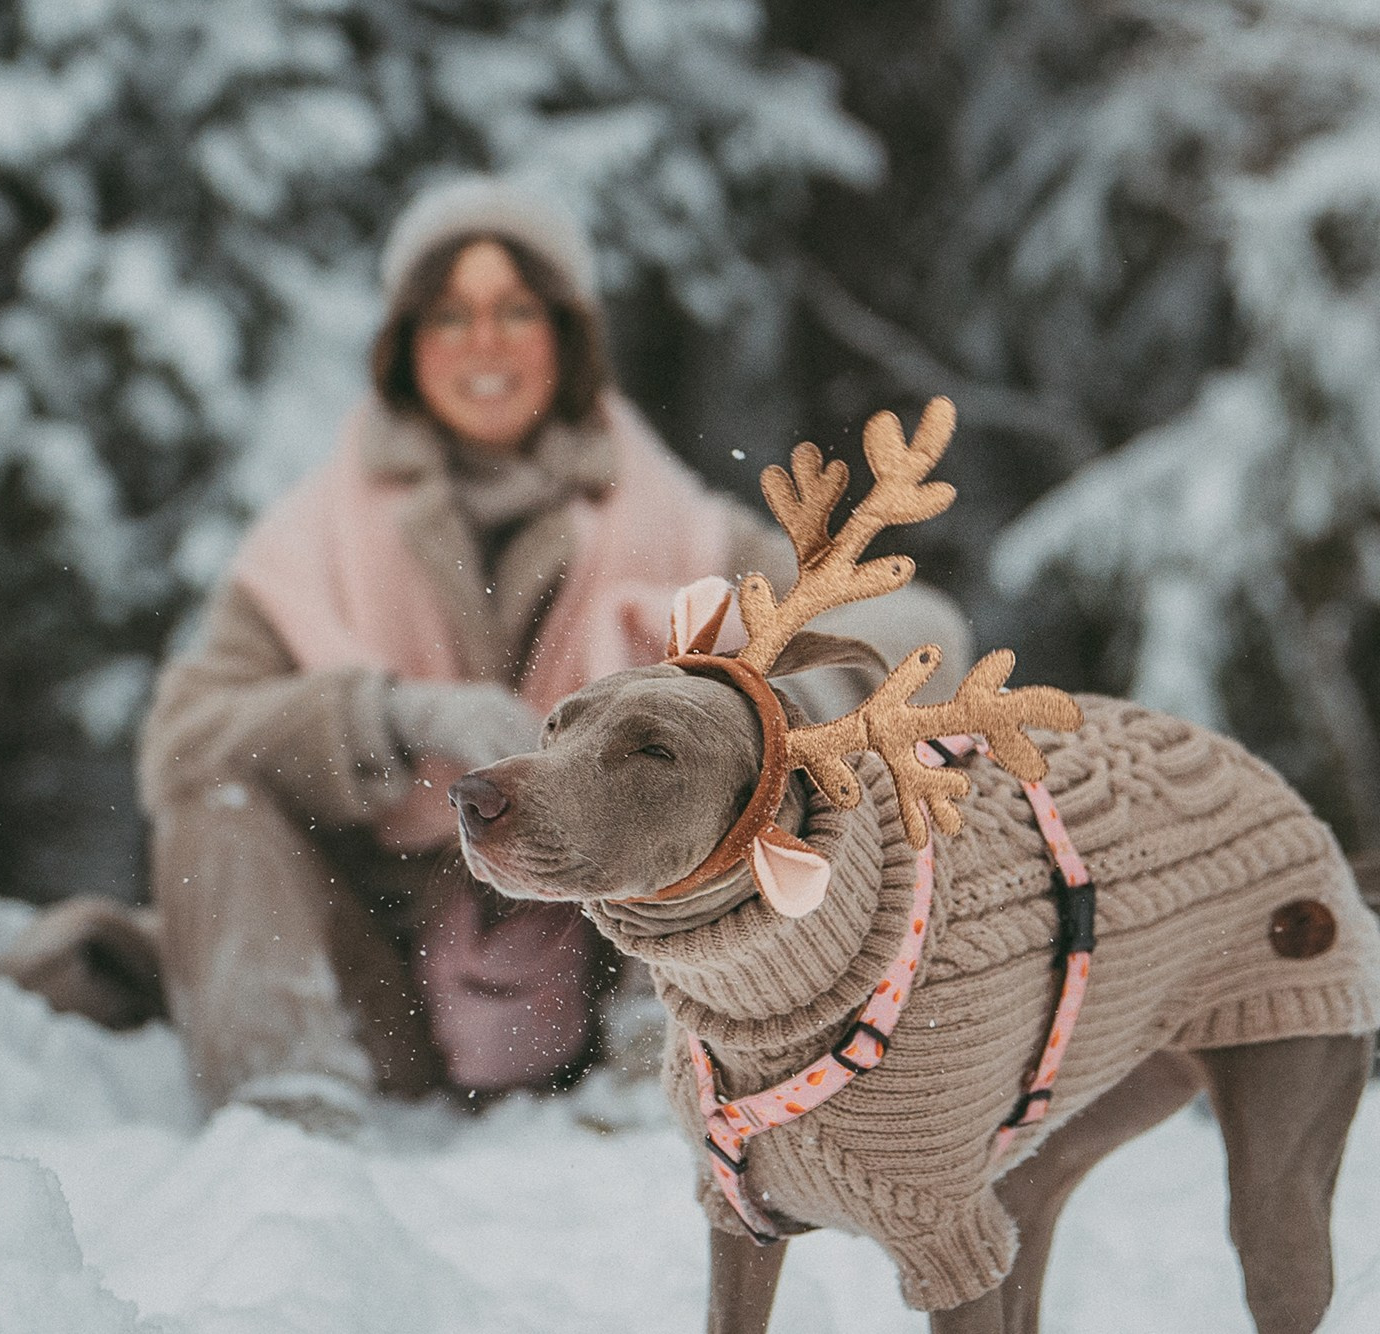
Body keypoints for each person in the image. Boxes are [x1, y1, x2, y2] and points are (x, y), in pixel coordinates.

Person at [133, 177, 971, 1128]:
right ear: (406, 348)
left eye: (515, 312)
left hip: (629, 961)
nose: (483, 344)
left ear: (566, 340)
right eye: (449, 317)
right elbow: (180, 738)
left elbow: (919, 635)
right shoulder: (309, 538)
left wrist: (772, 705)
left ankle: (666, 1070)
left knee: (780, 760)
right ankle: (287, 1116)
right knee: (216, 794)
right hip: (382, 983)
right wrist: (390, 717)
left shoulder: (674, 532)